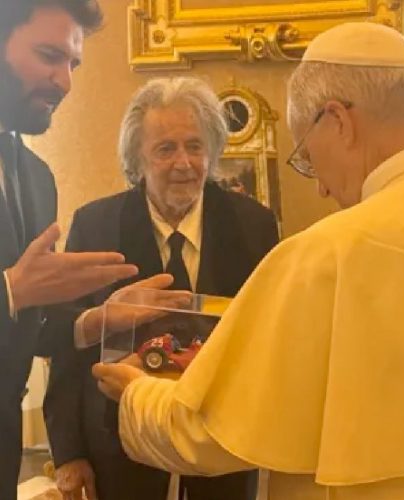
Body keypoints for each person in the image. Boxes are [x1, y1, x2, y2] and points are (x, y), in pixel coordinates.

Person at [94, 22, 404, 499]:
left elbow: (208, 433)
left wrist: (136, 393)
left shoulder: (328, 254)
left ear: (338, 121)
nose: (322, 187)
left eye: (308, 156)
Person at [44, 77, 279, 500]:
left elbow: (271, 336)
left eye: (195, 146)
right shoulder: (95, 225)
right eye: (165, 149)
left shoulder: (255, 225)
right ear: (137, 159)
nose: (183, 163)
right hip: (117, 446)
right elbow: (67, 346)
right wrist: (69, 454)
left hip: (221, 445)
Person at [0, 1, 138, 497]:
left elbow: (26, 331)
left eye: (73, 63)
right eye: (48, 56)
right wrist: (10, 290)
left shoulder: (36, 177)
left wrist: (94, 323)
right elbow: (15, 297)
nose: (65, 81)